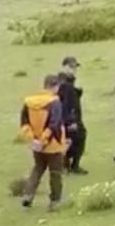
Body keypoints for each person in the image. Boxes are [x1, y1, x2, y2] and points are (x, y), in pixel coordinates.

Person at [18, 75, 69, 211]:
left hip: (36, 145)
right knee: (55, 173)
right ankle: (55, 201)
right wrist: (43, 140)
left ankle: (28, 194)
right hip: (53, 145)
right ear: (55, 86)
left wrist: (33, 139)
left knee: (38, 168)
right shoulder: (55, 102)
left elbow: (24, 124)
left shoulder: (29, 102)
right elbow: (54, 124)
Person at [56, 57, 88, 174]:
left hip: (70, 116)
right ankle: (72, 165)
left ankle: (67, 165)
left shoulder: (68, 82)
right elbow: (65, 104)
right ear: (64, 67)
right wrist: (70, 121)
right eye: (71, 67)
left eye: (74, 67)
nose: (73, 70)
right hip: (70, 118)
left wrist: (78, 91)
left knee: (70, 139)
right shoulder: (65, 84)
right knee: (78, 138)